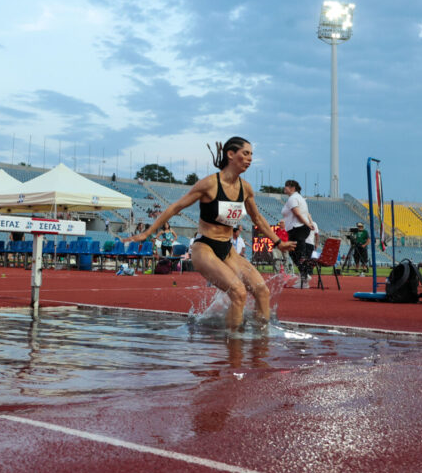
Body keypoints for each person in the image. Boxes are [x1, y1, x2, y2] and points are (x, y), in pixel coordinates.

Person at [125, 137, 295, 332]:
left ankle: (261, 342)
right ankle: (235, 345)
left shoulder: (245, 188)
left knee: (262, 291)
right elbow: (176, 207)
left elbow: (257, 218)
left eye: (251, 155)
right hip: (204, 248)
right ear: (231, 154)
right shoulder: (209, 184)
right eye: (245, 153)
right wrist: (146, 232)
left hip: (227, 249)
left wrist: (278, 242)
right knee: (239, 293)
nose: (250, 159)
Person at [281, 180, 319, 286]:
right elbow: (304, 213)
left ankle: (304, 276)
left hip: (297, 228)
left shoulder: (293, 198)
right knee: (297, 253)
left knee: (295, 252)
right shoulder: (299, 198)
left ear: (293, 188)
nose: (285, 188)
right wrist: (308, 223)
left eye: (287, 186)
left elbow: (297, 214)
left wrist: (307, 224)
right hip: (299, 228)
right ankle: (304, 276)